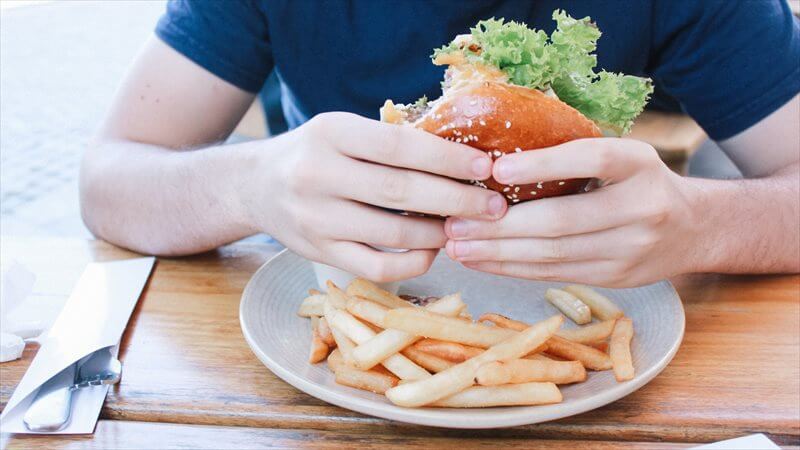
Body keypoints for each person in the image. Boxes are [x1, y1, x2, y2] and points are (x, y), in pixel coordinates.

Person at [80, 1, 800, 287]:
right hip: (317, 328)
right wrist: (248, 185)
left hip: (599, 340)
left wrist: (701, 223)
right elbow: (109, 179)